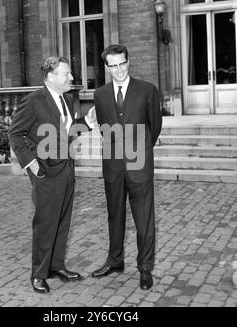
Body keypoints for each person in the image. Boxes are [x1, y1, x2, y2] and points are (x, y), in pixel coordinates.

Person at [8, 56, 96, 294]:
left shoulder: (65, 99)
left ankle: (56, 266)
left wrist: (86, 122)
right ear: (50, 76)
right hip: (45, 171)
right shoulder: (33, 101)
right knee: (46, 222)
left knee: (63, 220)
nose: (72, 77)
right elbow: (16, 134)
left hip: (66, 168)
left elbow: (65, 132)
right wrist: (31, 163)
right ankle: (38, 274)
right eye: (66, 74)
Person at [91, 45, 162, 290]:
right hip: (112, 166)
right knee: (115, 216)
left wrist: (139, 150)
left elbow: (154, 126)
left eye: (122, 63)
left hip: (139, 165)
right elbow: (103, 127)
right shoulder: (99, 95)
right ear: (107, 68)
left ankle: (145, 268)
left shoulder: (147, 90)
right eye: (113, 66)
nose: (119, 70)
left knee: (144, 220)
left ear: (128, 62)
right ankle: (115, 260)